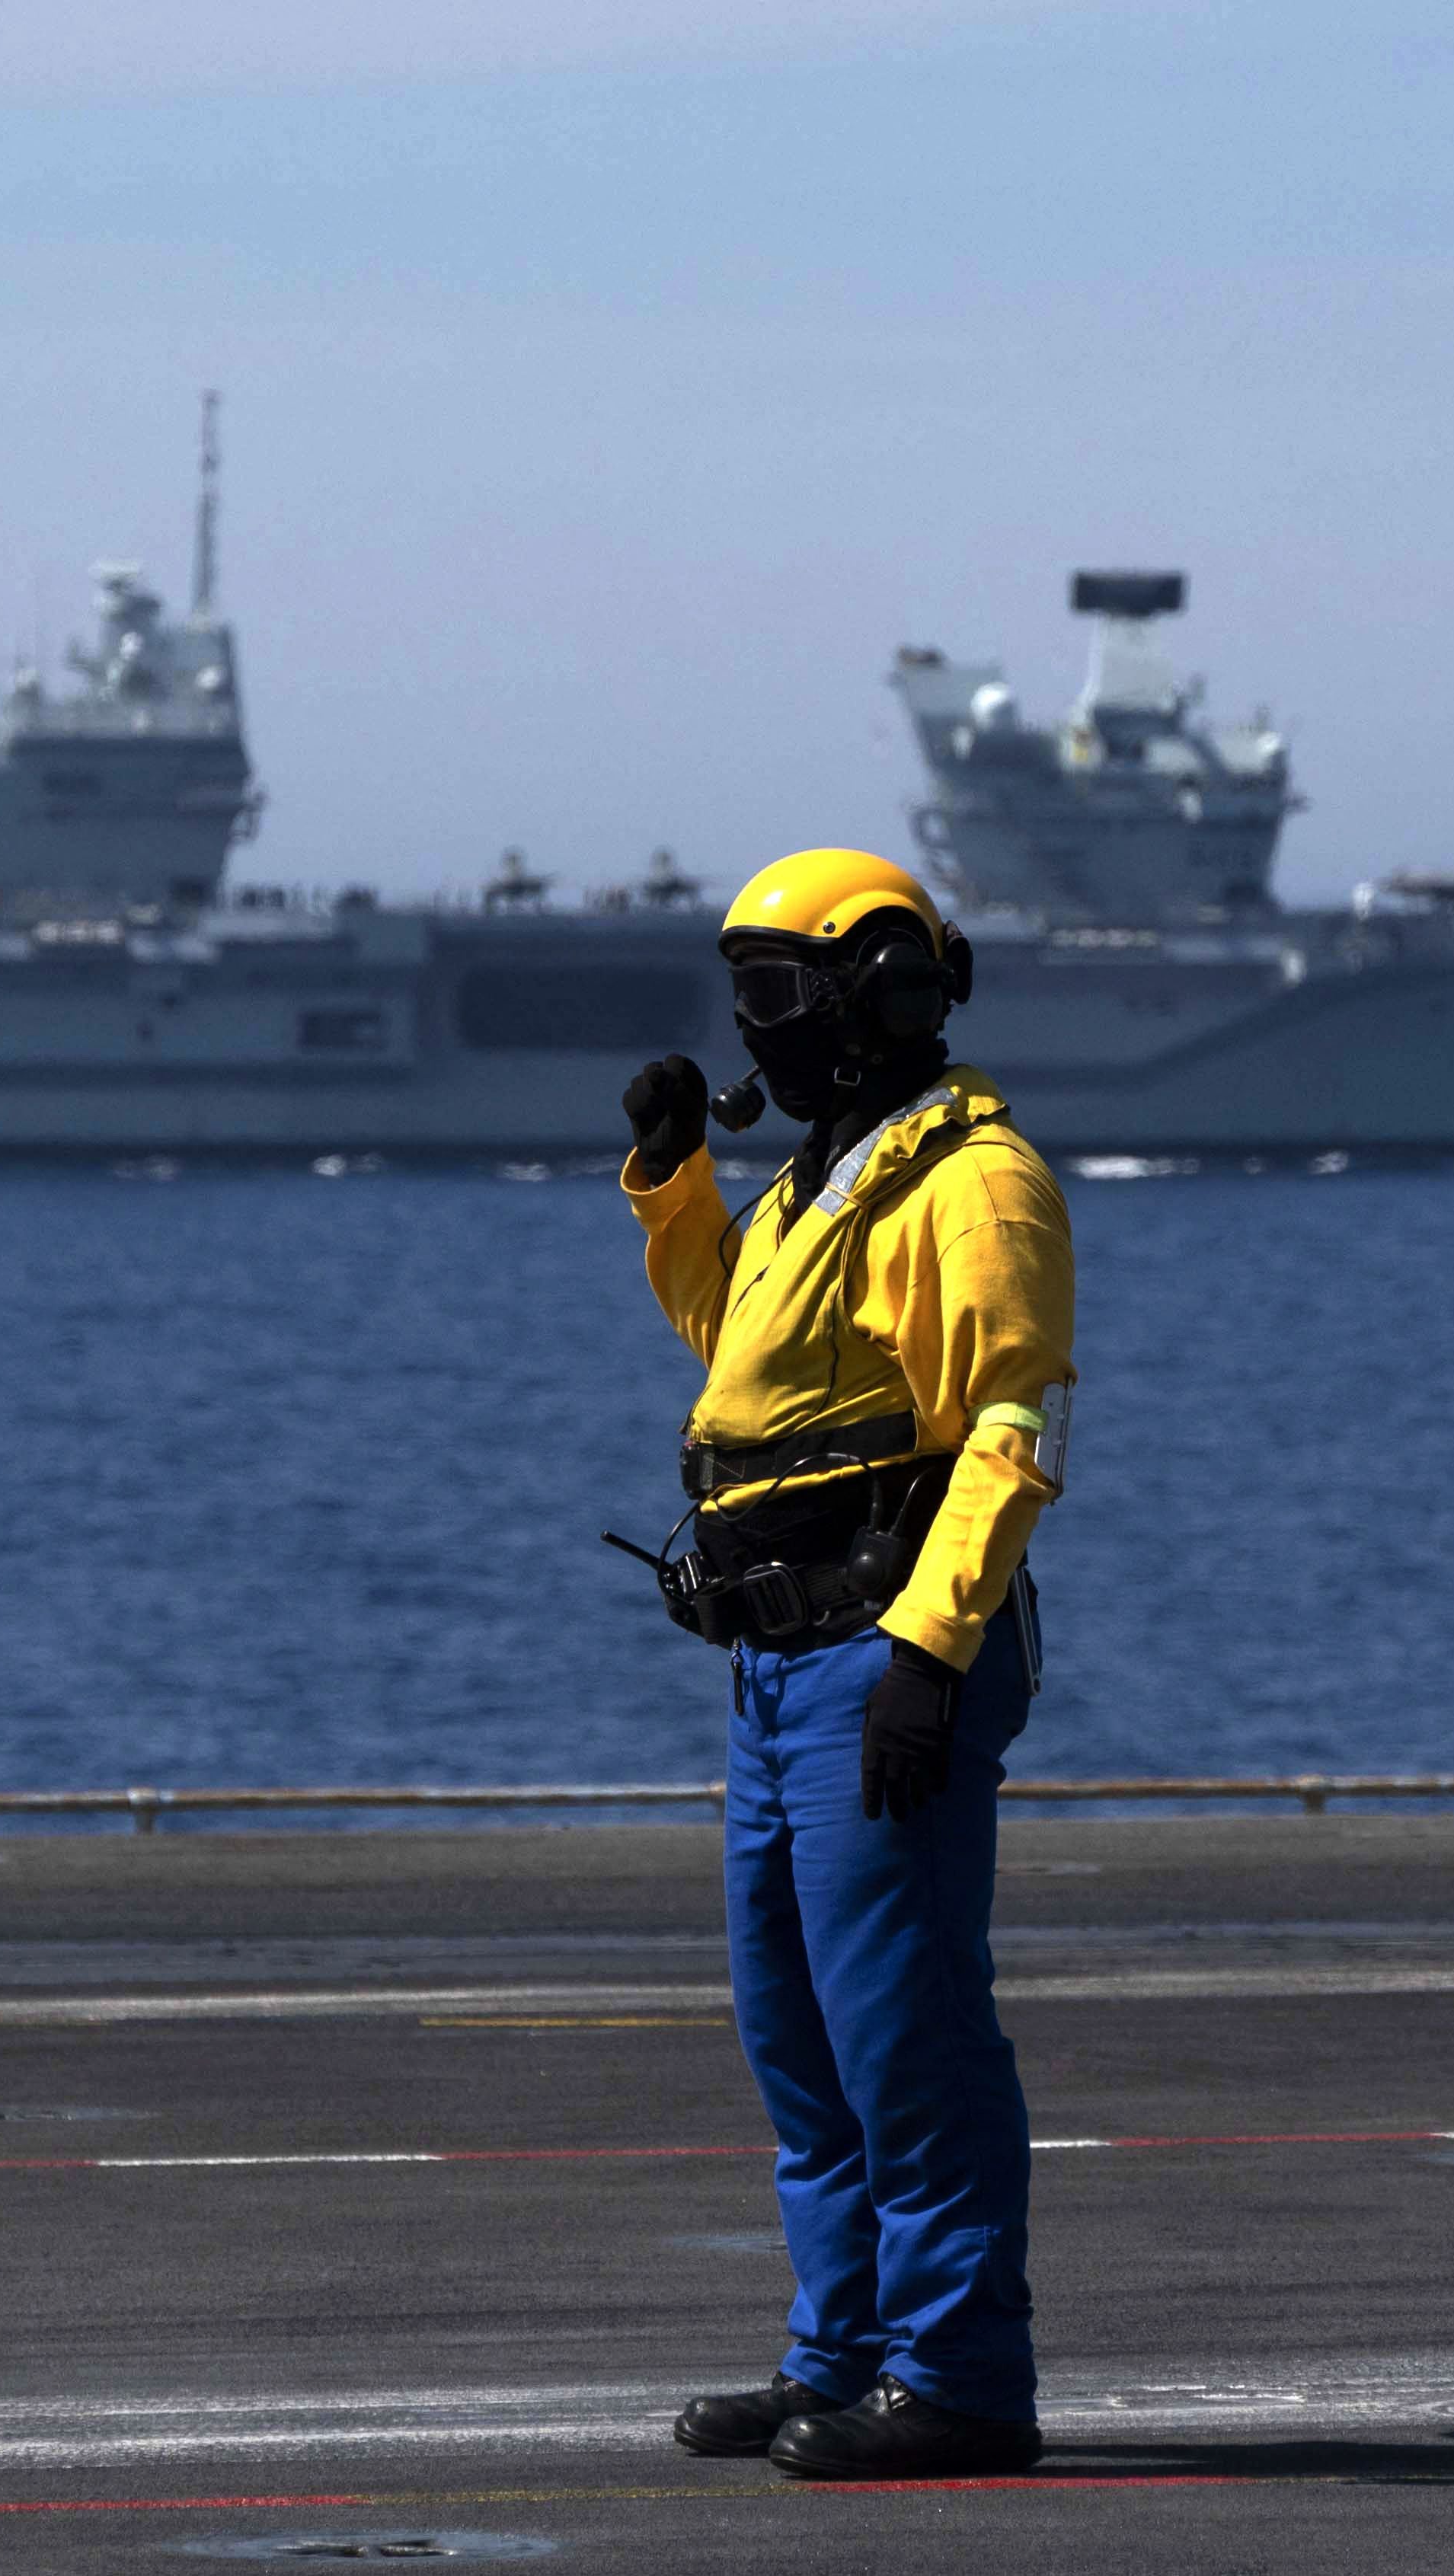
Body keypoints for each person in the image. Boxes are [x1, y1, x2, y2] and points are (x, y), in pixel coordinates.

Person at [617, 847, 1075, 2481]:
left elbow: (1011, 1430)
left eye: (779, 996)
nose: (762, 1030)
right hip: (771, 1665)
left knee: (905, 2033)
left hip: (880, 1660)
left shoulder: (973, 1183)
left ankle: (958, 2377)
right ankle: (842, 2358)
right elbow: (737, 1356)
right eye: (745, 999)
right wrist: (674, 1180)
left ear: (876, 993)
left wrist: (930, 1653)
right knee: (799, 2038)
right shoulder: (828, 1175)